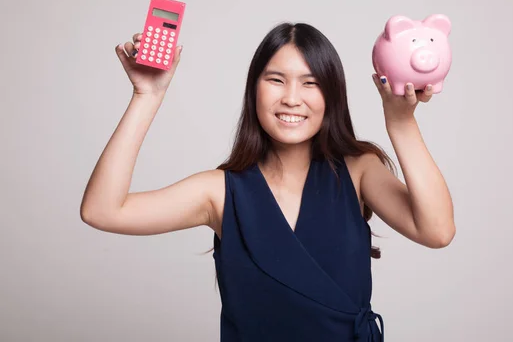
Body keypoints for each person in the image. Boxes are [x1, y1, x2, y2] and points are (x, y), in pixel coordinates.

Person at [80, 22, 455, 341]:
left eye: (311, 83)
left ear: (332, 96)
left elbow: (437, 231)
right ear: (254, 89)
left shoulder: (358, 171)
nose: (291, 99)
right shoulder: (220, 192)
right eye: (276, 80)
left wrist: (401, 123)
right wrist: (147, 95)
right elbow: (102, 211)